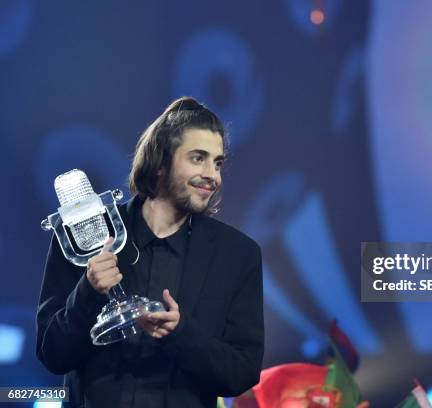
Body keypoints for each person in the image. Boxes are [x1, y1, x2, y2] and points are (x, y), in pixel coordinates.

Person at [36, 97, 264, 408]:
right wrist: (88, 292)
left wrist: (181, 334)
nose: (214, 176)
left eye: (218, 162)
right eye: (198, 158)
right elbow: (52, 355)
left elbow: (242, 373)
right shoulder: (85, 236)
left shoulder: (237, 255)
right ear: (159, 163)